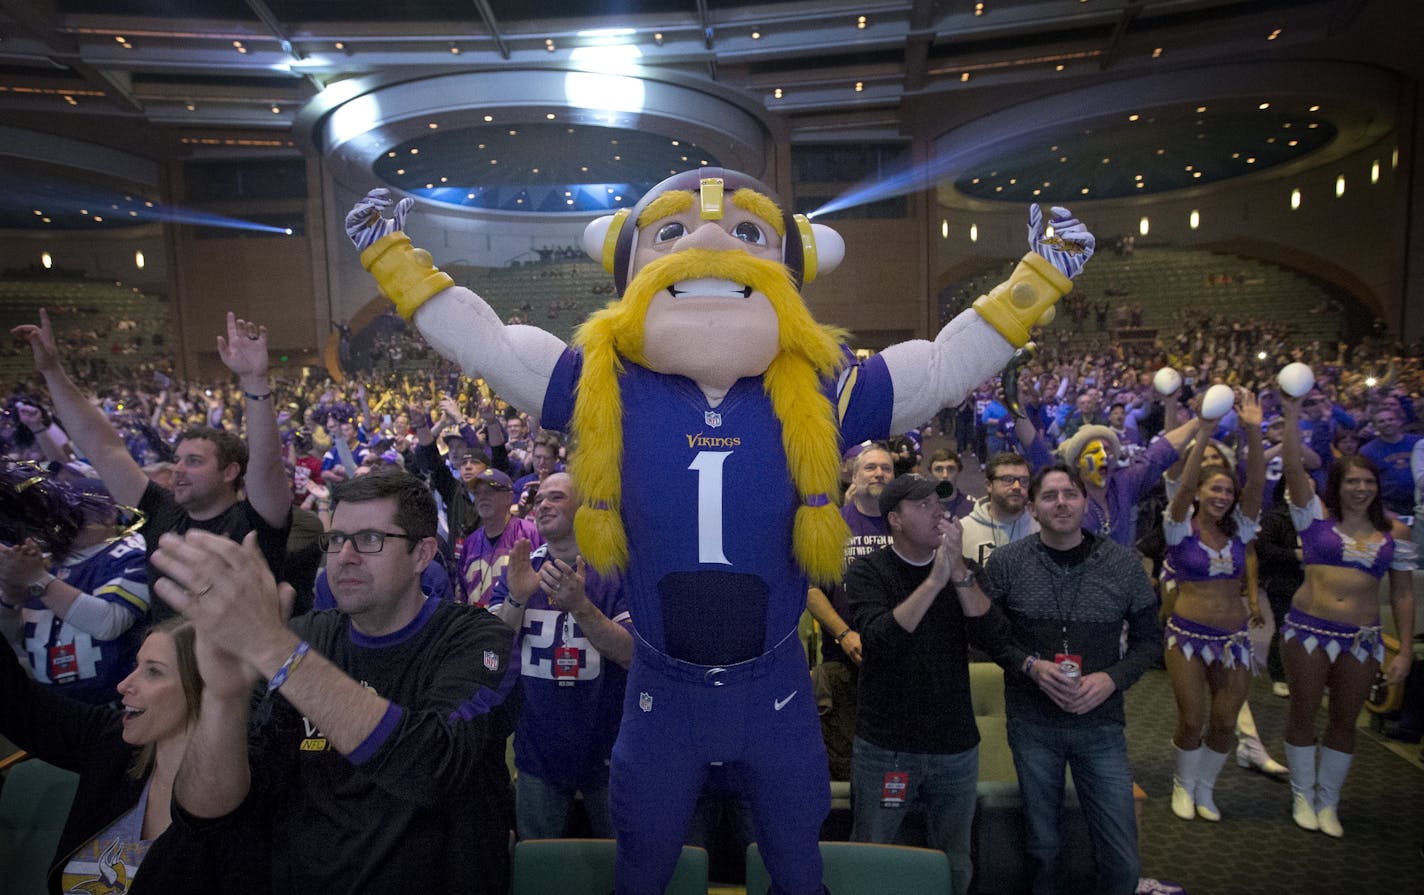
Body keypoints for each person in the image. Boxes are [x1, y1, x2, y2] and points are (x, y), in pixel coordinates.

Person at [346, 173, 1093, 895]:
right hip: (661, 688)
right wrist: (393, 257)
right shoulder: (603, 379)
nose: (708, 241)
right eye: (671, 230)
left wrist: (1043, 273)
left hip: (772, 685)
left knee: (801, 866)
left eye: (745, 232)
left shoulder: (823, 385)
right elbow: (490, 344)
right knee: (641, 866)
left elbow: (943, 364)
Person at [149, 471, 519, 892]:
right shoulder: (307, 637)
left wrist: (275, 649)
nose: (345, 556)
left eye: (370, 539)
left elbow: (432, 764)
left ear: (423, 554)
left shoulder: (476, 639)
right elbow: (206, 814)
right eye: (338, 539)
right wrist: (223, 696)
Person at [10, 310, 292, 622]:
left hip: (247, 665)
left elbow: (266, 464)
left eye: (194, 461)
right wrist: (52, 370)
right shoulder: (160, 512)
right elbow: (101, 444)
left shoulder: (257, 519)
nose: (178, 469)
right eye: (178, 460)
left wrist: (254, 380)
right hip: (171, 665)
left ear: (230, 472)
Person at [980, 464, 1162, 895]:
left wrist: (1111, 679)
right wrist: (1030, 666)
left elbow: (1150, 642)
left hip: (1100, 724)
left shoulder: (1122, 565)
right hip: (1032, 723)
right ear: (1033, 508)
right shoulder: (1007, 563)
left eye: (1070, 494)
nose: (1061, 502)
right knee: (1043, 847)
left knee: (1121, 857)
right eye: (1049, 496)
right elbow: (988, 635)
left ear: (1085, 502)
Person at [844, 474, 1008, 895]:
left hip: (954, 744)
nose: (938, 511)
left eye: (939, 503)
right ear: (895, 520)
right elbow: (880, 642)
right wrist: (934, 580)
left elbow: (991, 636)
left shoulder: (961, 570)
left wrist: (956, 573)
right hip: (887, 745)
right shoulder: (869, 570)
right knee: (873, 853)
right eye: (922, 506)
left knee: (954, 860)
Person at [1278, 391, 1414, 837]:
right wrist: (1293, 412)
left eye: (1367, 482)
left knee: (1344, 718)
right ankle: (1302, 792)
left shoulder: (1395, 532)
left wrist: (1406, 651)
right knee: (1302, 712)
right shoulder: (1313, 520)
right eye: (1352, 482)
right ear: (1337, 486)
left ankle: (1327, 799)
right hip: (1307, 631)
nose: (1360, 488)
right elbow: (1296, 468)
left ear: (1376, 487)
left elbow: (1403, 595)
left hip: (1361, 638)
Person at [0, 617, 202, 895]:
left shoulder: (243, 802)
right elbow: (17, 701)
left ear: (208, 690)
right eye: (137, 666)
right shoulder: (113, 742)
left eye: (153, 672)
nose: (124, 685)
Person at [488, 471, 633, 839]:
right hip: (538, 749)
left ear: (583, 507)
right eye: (539, 499)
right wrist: (517, 599)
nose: (544, 505)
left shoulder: (613, 570)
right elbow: (491, 650)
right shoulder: (520, 567)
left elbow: (632, 654)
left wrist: (582, 607)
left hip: (610, 750)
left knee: (623, 865)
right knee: (536, 867)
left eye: (557, 497)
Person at [1162, 389, 1266, 822]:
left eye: (1228, 489)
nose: (1223, 495)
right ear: (1200, 492)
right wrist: (1204, 430)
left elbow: (1257, 482)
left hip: (1234, 641)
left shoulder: (1241, 531)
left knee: (1224, 722)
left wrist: (1254, 432)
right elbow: (1183, 483)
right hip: (1186, 636)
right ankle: (1183, 786)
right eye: (1214, 488)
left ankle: (1205, 788)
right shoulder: (1178, 528)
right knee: (1192, 720)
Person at [0, 465, 149, 705]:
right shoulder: (39, 559)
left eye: (75, 512)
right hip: (54, 704)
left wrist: (37, 579)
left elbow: (108, 623)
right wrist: (10, 592)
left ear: (109, 514)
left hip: (115, 704)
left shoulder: (131, 552)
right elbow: (9, 637)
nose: (64, 520)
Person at [805, 444, 894, 780]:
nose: (879, 474)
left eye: (886, 468)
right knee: (845, 760)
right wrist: (844, 634)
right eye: (870, 468)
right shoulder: (831, 525)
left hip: (895, 660)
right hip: (841, 657)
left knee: (891, 760)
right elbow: (811, 590)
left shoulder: (904, 523)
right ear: (853, 476)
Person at [459, 467, 541, 605]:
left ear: (509, 497)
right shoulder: (470, 542)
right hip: (477, 623)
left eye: (489, 492)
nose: (482, 497)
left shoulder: (530, 533)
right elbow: (462, 591)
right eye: (477, 493)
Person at [960, 452, 1038, 570]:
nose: (1017, 486)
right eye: (1008, 479)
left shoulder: (1042, 530)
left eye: (1024, 481)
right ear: (989, 485)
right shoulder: (963, 531)